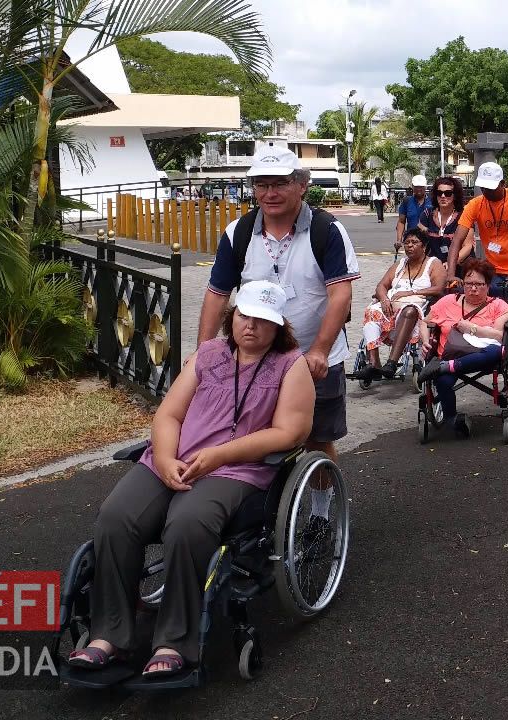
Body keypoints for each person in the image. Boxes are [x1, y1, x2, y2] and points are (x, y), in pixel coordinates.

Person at [69, 281, 316, 677]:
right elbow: (168, 415)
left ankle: (173, 641)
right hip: (175, 459)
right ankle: (109, 635)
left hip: (235, 468)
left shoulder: (290, 364)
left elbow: (290, 433)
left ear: (278, 325)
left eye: (262, 320)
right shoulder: (209, 354)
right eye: (243, 315)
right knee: (116, 518)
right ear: (232, 316)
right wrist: (165, 458)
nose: (250, 326)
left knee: (187, 524)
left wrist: (219, 454)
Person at [196, 147, 358, 464]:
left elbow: (341, 295)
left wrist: (320, 351)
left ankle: (323, 509)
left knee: (317, 440)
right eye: (261, 185)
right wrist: (203, 351)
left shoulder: (327, 231)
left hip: (314, 357)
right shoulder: (238, 233)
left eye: (280, 184)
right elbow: (217, 294)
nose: (270, 193)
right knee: (250, 434)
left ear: (301, 185)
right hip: (256, 356)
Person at [447, 161, 508, 377]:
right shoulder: (476, 204)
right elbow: (456, 241)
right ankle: (497, 356)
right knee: (491, 316)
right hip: (494, 270)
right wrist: (451, 274)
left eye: (491, 186)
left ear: (503, 183)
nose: (487, 191)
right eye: (483, 187)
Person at [418, 258, 508, 438]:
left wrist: (473, 329)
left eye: (479, 284)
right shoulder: (448, 301)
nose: (473, 288)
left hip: (482, 357)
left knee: (498, 351)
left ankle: (446, 367)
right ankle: (452, 418)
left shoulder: (498, 305)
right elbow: (424, 322)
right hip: (450, 354)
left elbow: (498, 335)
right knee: (443, 382)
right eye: (469, 284)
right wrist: (425, 342)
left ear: (488, 285)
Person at [351, 229, 446, 380]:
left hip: (415, 306)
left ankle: (392, 362)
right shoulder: (400, 264)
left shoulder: (433, 263)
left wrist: (410, 293)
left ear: (424, 245)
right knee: (371, 311)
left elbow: (439, 288)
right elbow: (381, 285)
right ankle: (374, 363)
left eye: (414, 242)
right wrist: (383, 299)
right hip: (390, 305)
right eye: (406, 242)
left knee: (409, 311)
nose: (409, 246)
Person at [418, 176, 466, 263]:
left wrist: (450, 263)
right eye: (439, 193)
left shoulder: (463, 215)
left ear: (455, 196)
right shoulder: (427, 213)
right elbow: (419, 240)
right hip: (434, 264)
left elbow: (468, 246)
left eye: (448, 193)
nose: (443, 196)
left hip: (458, 263)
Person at [396, 174, 432, 250]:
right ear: (412, 186)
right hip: (412, 241)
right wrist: (399, 240)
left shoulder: (432, 201)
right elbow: (401, 221)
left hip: (430, 240)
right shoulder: (407, 201)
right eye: (416, 187)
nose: (419, 189)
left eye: (421, 187)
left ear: (425, 187)